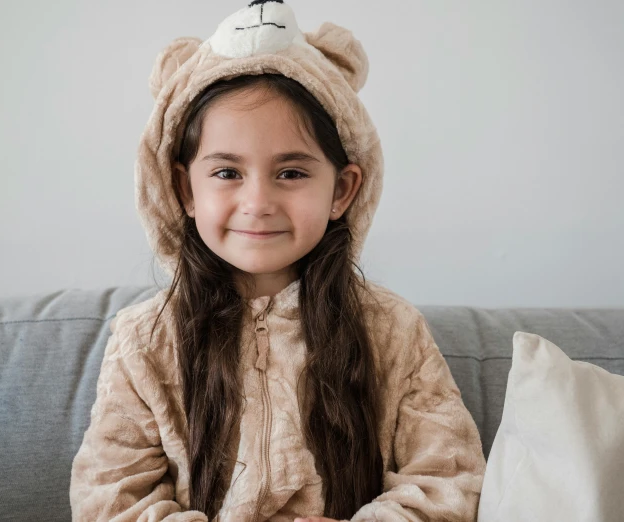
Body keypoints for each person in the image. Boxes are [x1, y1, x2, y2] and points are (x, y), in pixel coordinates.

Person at [69, 1, 486, 521]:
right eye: (227, 173)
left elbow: (449, 482)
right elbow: (110, 500)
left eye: (291, 173)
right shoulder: (145, 341)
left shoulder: (392, 331)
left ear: (343, 190)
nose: (258, 202)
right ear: (185, 189)